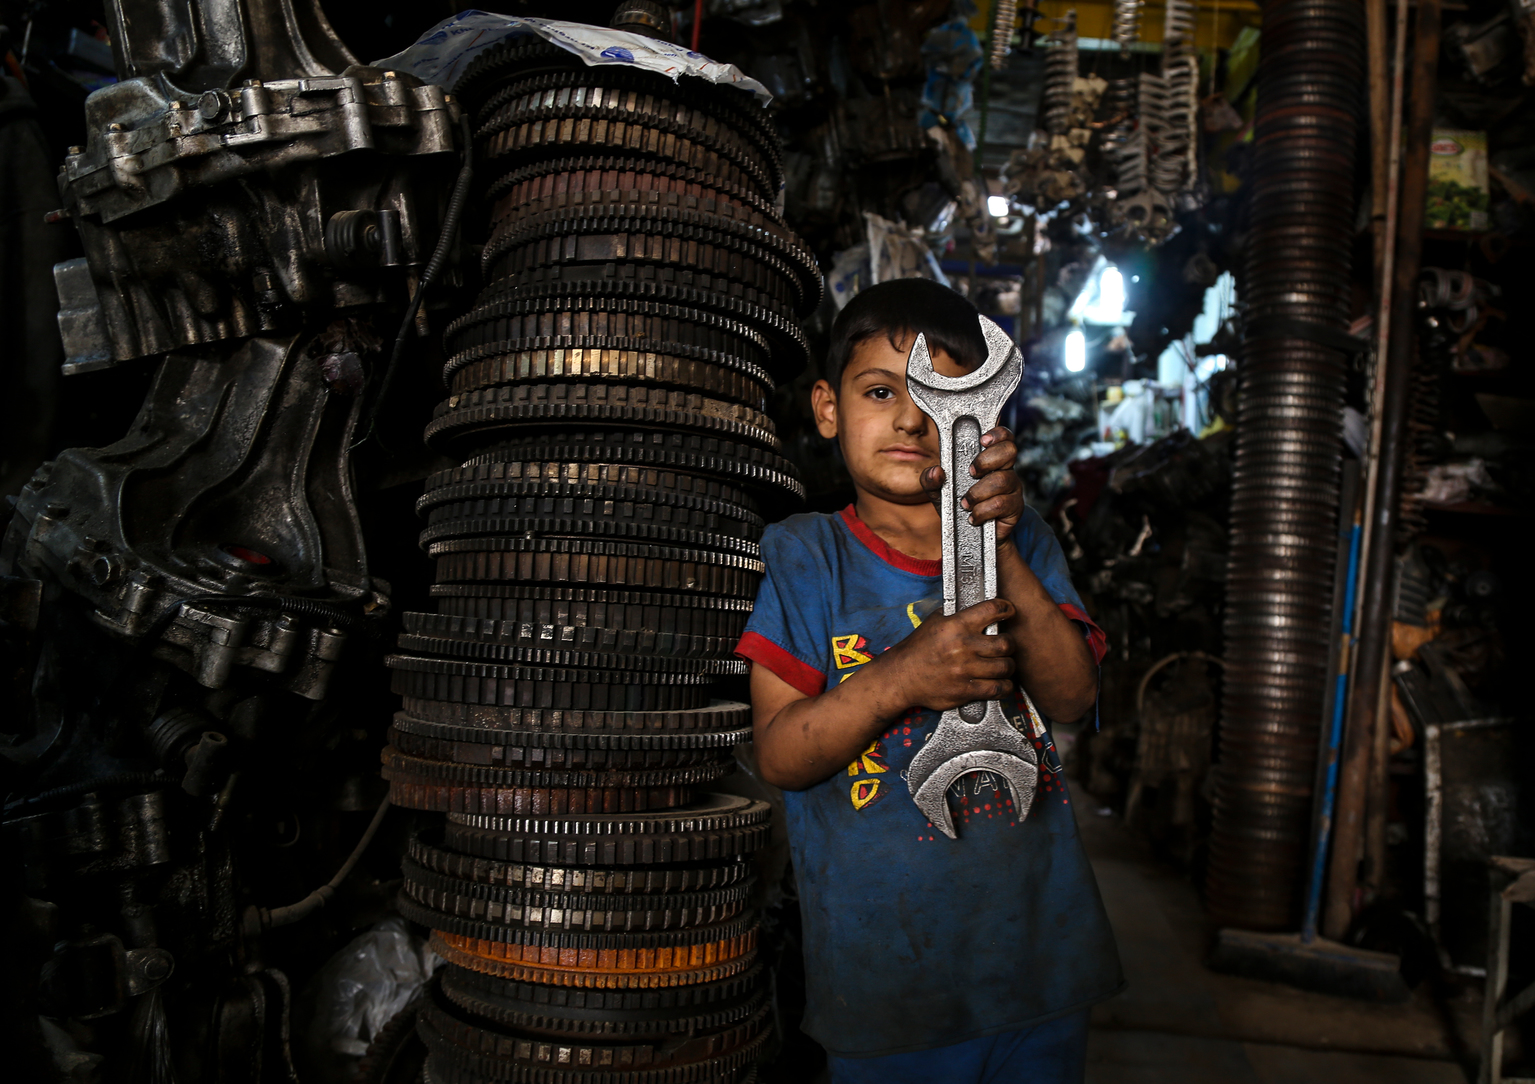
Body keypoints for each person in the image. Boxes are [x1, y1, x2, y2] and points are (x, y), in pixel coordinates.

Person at [736, 278, 1122, 1083]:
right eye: (881, 391)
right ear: (827, 407)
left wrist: (998, 542)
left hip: (1039, 967)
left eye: (938, 401)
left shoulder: (1023, 540)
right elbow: (778, 754)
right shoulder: (805, 558)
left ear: (981, 421)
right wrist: (906, 676)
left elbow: (1073, 699)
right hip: (888, 990)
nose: (913, 421)